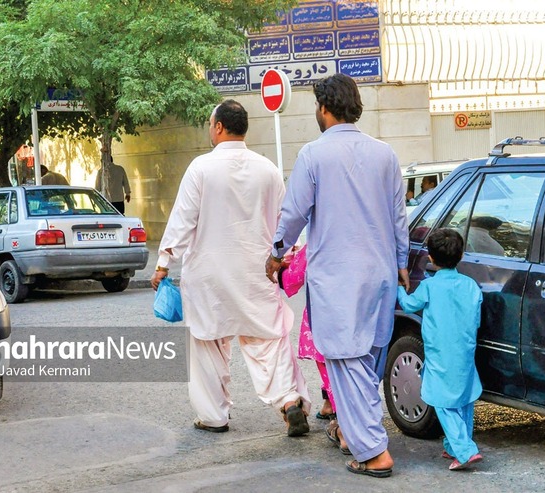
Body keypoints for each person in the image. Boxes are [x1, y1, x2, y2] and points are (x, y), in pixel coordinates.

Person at [265, 73, 409, 478]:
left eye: (317, 105)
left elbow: (293, 215)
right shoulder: (385, 154)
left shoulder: (313, 155)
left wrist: (276, 254)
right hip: (380, 275)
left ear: (325, 108)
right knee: (367, 360)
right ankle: (354, 434)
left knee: (345, 362)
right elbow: (400, 218)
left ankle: (374, 452)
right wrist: (401, 264)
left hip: (337, 280)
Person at [152, 99, 311, 437]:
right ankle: (288, 400)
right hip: (257, 273)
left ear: (219, 127)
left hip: (209, 277)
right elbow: (285, 222)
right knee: (268, 340)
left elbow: (183, 220)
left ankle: (214, 416)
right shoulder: (267, 169)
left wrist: (163, 263)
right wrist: (289, 255)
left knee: (207, 344)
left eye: (210, 125)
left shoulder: (201, 168)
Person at [396, 228, 484, 471]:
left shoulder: (429, 287)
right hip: (465, 351)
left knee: (441, 400)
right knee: (464, 399)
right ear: (461, 255)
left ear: (431, 258)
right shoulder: (471, 286)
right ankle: (455, 445)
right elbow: (476, 319)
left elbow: (408, 304)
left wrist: (398, 288)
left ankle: (465, 450)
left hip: (439, 353)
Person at [278, 245, 348, 453]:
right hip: (358, 315)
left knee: (329, 370)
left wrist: (281, 266)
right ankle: (335, 409)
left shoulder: (315, 245)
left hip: (323, 317)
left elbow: (291, 280)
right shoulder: (362, 239)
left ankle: (345, 429)